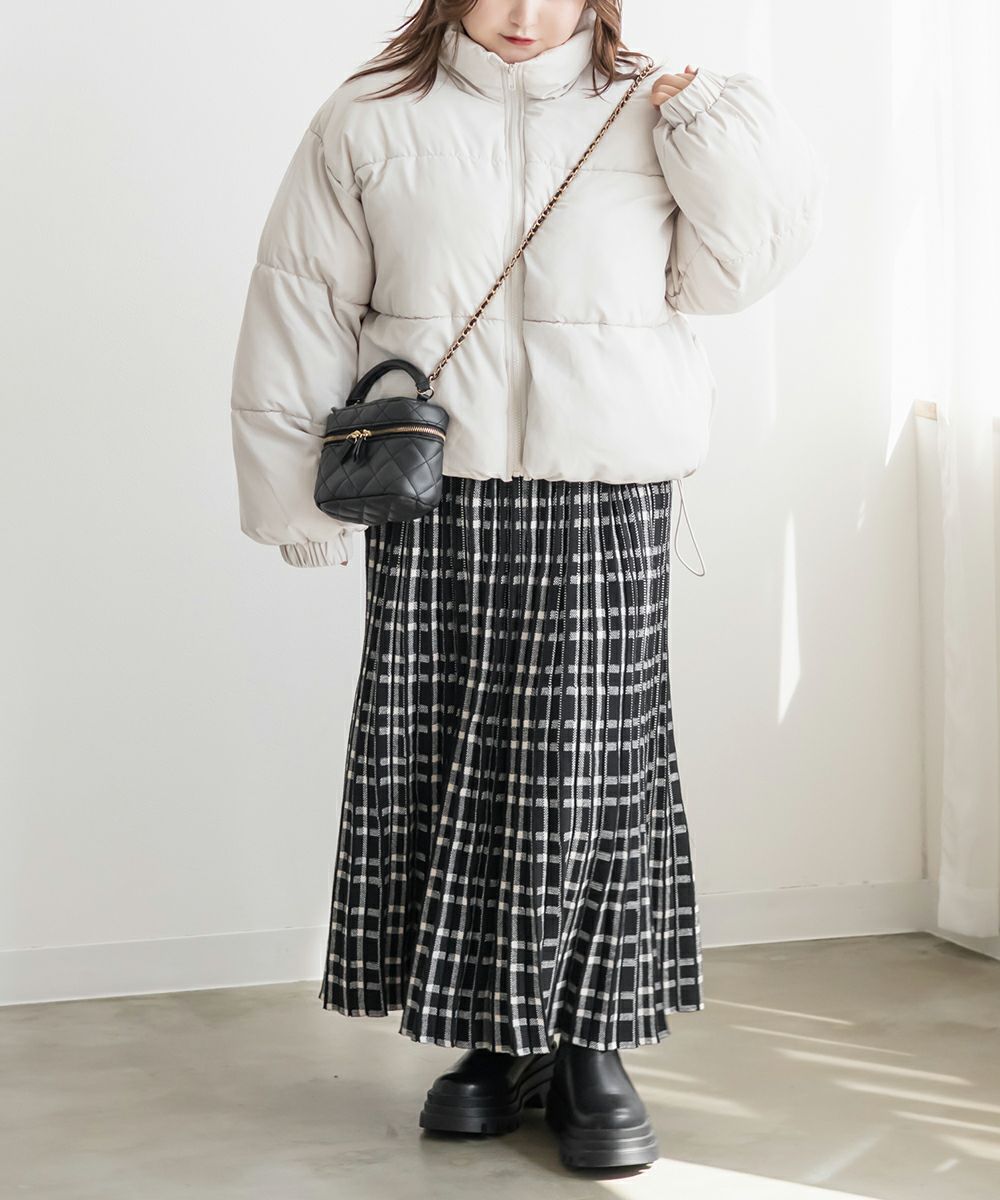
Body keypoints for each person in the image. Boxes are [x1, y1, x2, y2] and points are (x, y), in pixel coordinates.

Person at [229, 0, 826, 1173]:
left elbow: (736, 274)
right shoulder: (368, 117)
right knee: (447, 759)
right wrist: (292, 504)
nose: (522, 16)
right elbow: (300, 301)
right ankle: (494, 1040)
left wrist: (711, 125)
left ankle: (590, 1039)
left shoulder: (650, 109)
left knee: (592, 770)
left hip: (603, 490)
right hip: (432, 489)